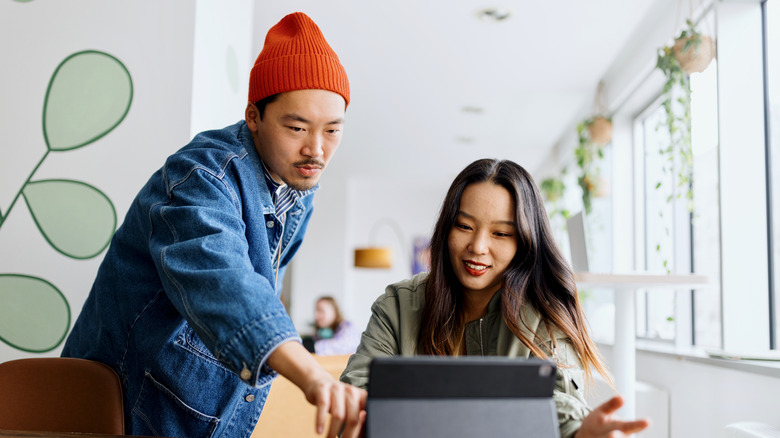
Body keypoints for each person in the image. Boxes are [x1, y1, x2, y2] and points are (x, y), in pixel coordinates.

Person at [62, 12, 365, 438]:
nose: (316, 149)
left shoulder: (298, 195)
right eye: (297, 127)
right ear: (254, 116)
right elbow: (225, 282)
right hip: (126, 411)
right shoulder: (201, 176)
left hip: (200, 411)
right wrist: (312, 376)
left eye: (333, 130)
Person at [340, 159, 650, 438]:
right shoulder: (398, 304)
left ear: (525, 242)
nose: (477, 246)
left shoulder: (545, 311)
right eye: (464, 226)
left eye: (500, 233)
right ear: (446, 229)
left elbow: (557, 403)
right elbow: (356, 392)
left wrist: (581, 433)